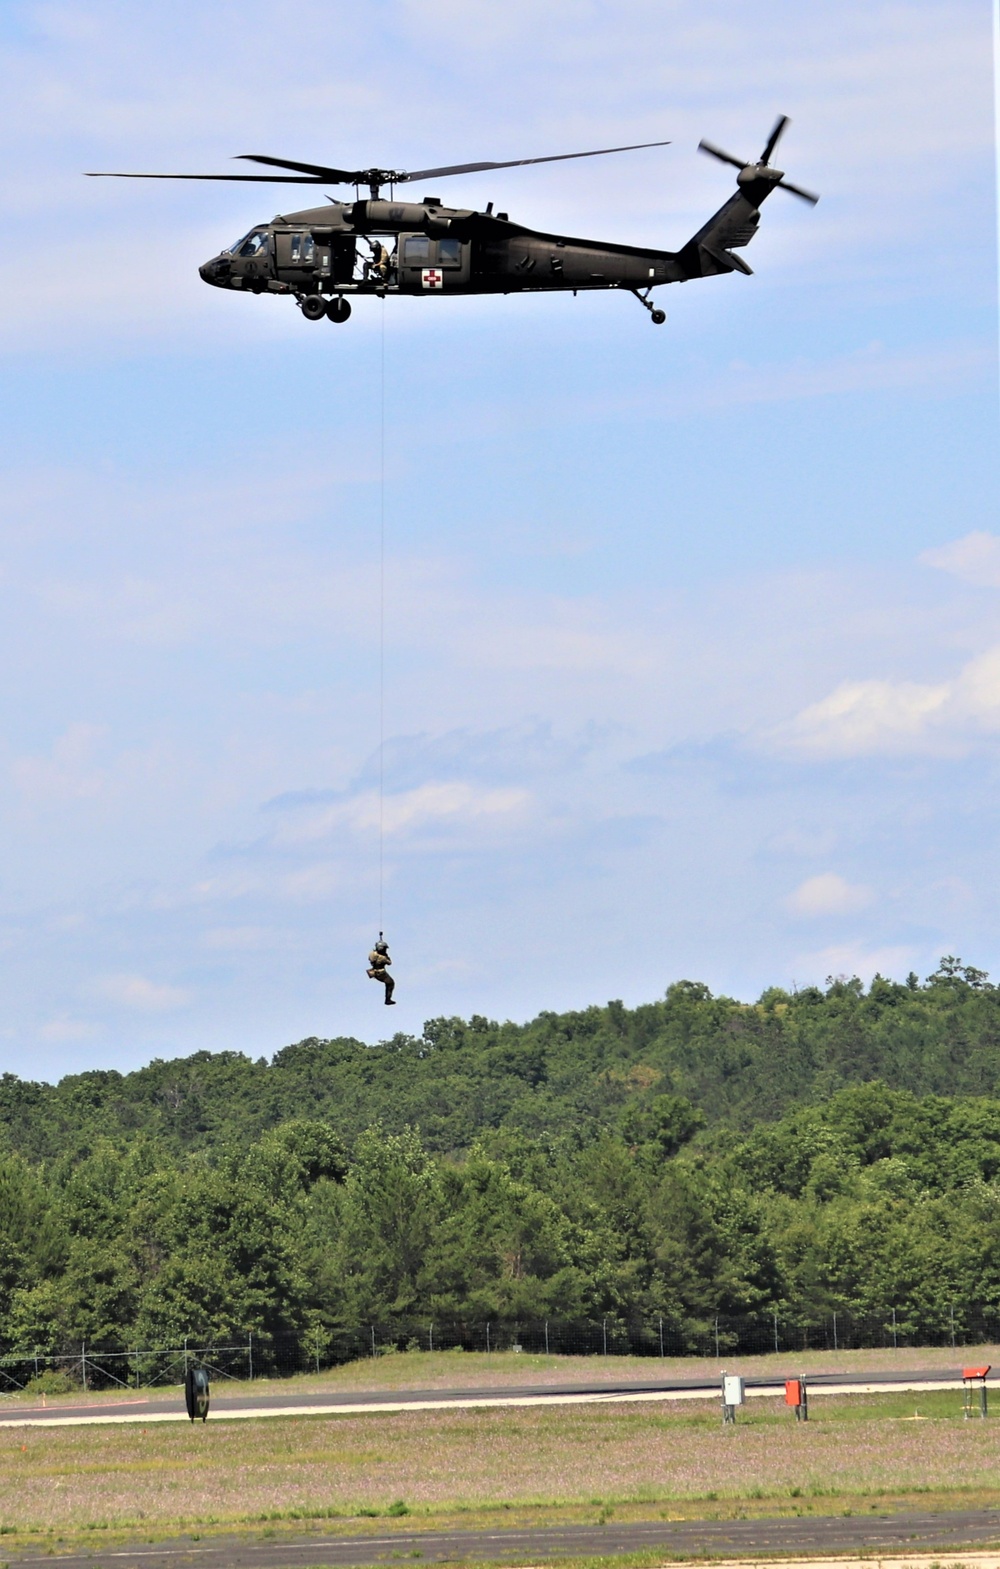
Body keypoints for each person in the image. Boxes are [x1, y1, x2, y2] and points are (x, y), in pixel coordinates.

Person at [367, 938, 395, 1004]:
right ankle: (388, 999)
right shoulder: (383, 958)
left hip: (374, 971)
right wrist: (386, 956)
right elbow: (389, 963)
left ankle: (388, 999)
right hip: (381, 973)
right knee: (391, 983)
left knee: (388, 983)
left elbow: (370, 958)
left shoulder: (372, 954)